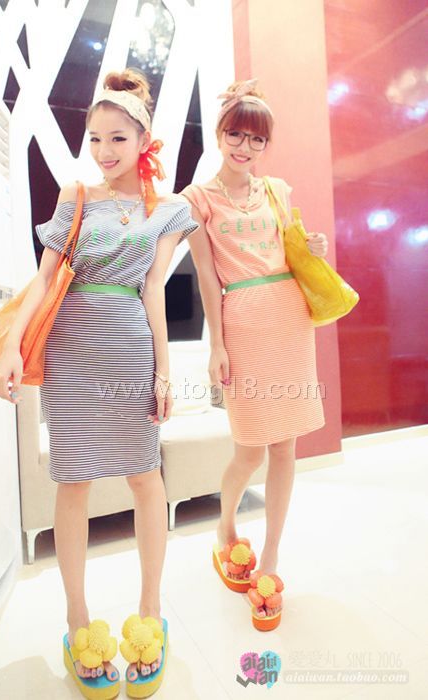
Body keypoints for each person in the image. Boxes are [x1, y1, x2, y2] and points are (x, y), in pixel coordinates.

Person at [0, 68, 198, 698]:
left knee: (145, 476)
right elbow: (44, 277)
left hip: (129, 347)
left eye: (117, 139)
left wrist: (165, 372)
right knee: (73, 480)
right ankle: (77, 620)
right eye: (96, 139)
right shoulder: (75, 195)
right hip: (71, 349)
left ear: (144, 141)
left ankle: (151, 610)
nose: (104, 151)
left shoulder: (168, 209)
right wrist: (10, 345)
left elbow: (154, 289)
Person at [182, 78, 327, 629]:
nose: (245, 147)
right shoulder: (197, 199)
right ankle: (225, 527)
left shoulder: (277, 190)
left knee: (286, 449)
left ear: (267, 145)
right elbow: (206, 275)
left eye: (257, 139)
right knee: (248, 450)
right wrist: (216, 345)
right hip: (241, 322)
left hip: (289, 320)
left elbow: (292, 251)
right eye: (236, 135)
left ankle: (270, 559)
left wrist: (313, 247)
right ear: (220, 134)